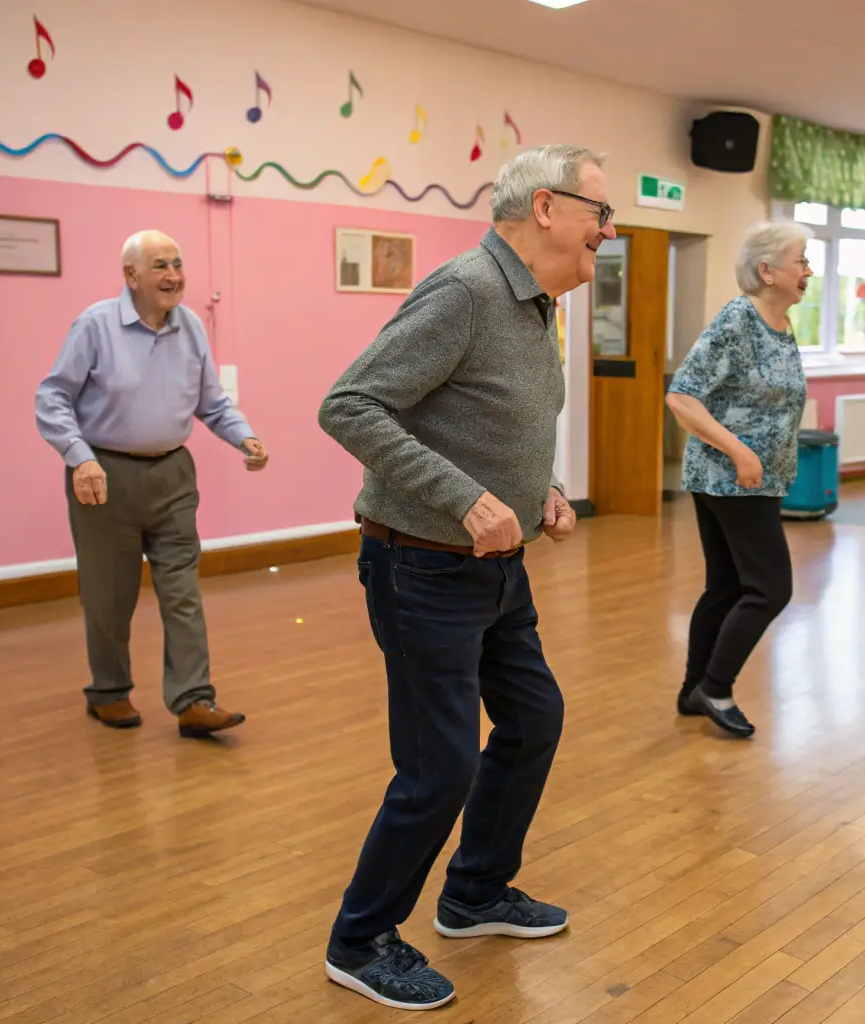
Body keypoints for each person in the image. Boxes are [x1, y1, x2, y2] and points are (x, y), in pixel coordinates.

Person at [316, 144, 608, 1011]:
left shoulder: (535, 306)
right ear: (546, 209)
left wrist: (540, 490)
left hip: (495, 569)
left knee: (533, 718)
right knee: (436, 767)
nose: (608, 230)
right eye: (601, 211)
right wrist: (468, 499)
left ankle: (474, 891)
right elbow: (350, 405)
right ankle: (359, 937)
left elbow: (487, 422)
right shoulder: (467, 291)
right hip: (420, 569)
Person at [35, 230, 267, 737]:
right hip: (104, 475)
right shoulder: (95, 325)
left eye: (178, 264)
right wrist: (80, 458)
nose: (174, 275)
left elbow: (212, 402)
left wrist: (243, 438)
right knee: (108, 594)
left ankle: (193, 700)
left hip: (173, 474)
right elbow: (52, 398)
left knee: (182, 590)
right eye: (160, 265)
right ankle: (109, 692)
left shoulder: (191, 329)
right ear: (131, 276)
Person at [665, 221, 813, 739]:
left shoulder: (782, 325)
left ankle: (691, 691)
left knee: (727, 586)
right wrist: (739, 451)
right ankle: (716, 686)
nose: (808, 271)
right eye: (801, 261)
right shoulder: (738, 320)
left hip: (755, 480)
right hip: (730, 479)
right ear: (767, 270)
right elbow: (682, 397)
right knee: (770, 589)